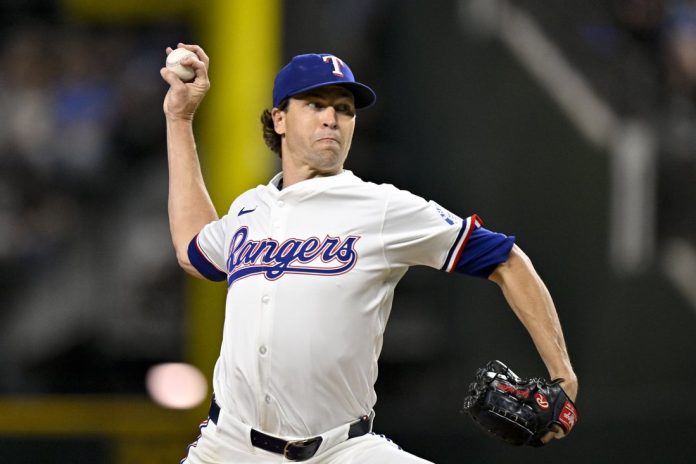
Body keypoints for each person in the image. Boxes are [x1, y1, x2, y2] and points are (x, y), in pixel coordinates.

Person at [160, 43, 578, 464]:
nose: (331, 118)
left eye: (344, 109)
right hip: (229, 447)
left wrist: (563, 375)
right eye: (315, 104)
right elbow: (193, 248)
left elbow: (507, 260)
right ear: (279, 119)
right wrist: (180, 118)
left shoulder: (382, 207)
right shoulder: (250, 209)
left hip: (340, 450)